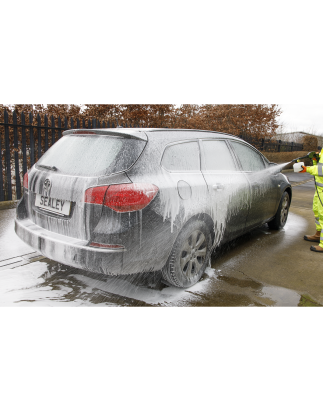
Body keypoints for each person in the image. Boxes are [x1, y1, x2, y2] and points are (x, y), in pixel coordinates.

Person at [299, 149, 323, 253]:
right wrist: (315, 159)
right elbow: (319, 165)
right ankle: (318, 234)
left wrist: (306, 169)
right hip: (319, 189)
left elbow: (321, 170)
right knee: (317, 212)